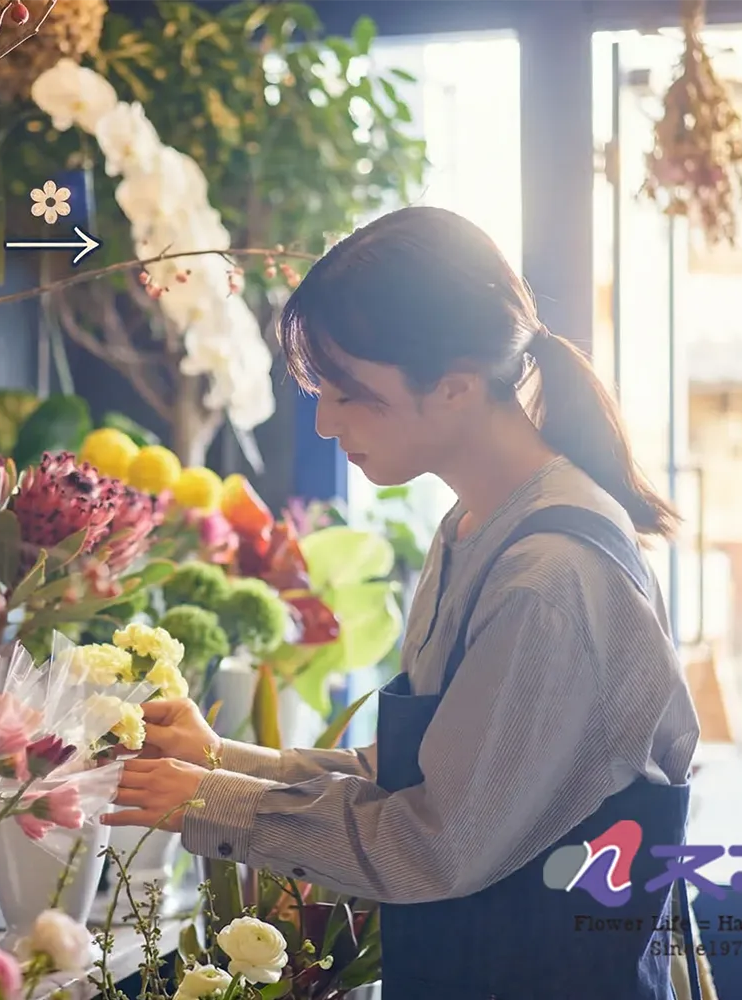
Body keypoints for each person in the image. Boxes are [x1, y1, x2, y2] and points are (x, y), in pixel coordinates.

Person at [103, 206, 705, 1000]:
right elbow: (413, 775)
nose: (324, 422)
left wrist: (211, 803)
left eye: (349, 394)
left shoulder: (547, 580)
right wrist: (219, 758)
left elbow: (434, 843)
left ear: (454, 387)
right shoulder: (474, 526)